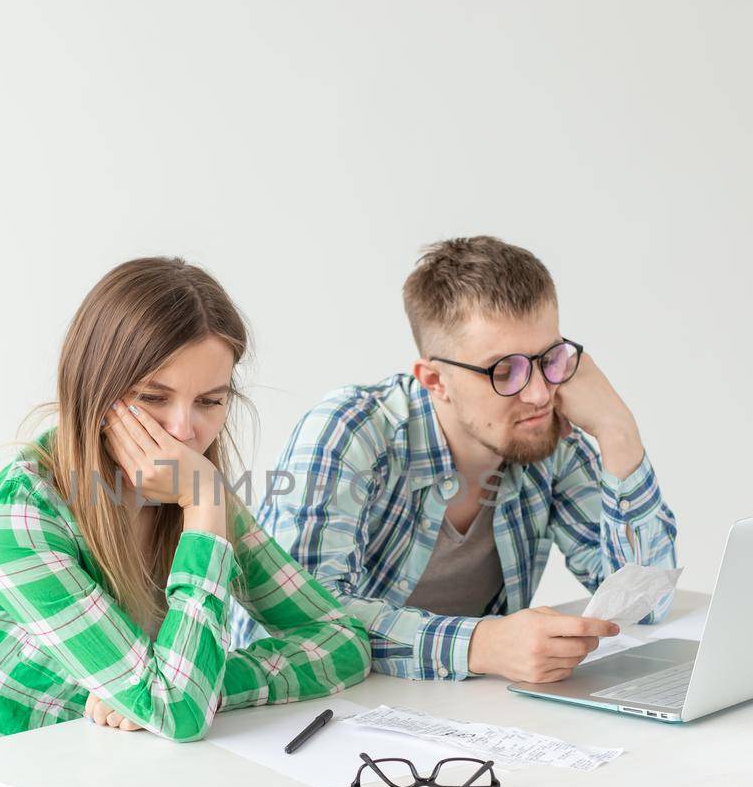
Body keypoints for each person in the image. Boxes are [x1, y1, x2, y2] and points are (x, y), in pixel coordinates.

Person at [0, 257, 536, 787]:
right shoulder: (20, 519)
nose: (185, 430)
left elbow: (336, 640)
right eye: (153, 398)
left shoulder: (180, 482)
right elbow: (176, 707)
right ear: (92, 388)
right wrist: (206, 516)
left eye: (209, 401)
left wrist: (209, 681)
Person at [234, 236, 678, 686]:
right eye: (505, 371)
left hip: (453, 717)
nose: (540, 392)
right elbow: (304, 624)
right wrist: (482, 645)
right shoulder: (350, 430)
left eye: (549, 359)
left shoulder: (546, 440)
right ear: (435, 380)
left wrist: (618, 432)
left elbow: (648, 606)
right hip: (307, 713)